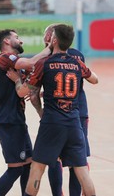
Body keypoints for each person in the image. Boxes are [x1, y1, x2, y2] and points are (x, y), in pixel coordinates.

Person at [6, 24, 98, 196]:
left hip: (52, 123)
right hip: (74, 122)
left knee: (37, 168)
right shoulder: (77, 62)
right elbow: (95, 80)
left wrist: (18, 80)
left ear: (53, 40)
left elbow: (24, 92)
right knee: (82, 171)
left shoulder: (44, 63)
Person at [0, 29, 52, 196]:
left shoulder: (15, 66)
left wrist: (35, 91)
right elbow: (32, 63)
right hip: (8, 122)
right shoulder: (3, 58)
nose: (21, 41)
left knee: (28, 165)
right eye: (17, 38)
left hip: (17, 121)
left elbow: (24, 89)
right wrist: (49, 48)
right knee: (15, 169)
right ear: (6, 42)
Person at [40, 24, 92, 196]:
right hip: (78, 112)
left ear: (51, 39)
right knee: (78, 161)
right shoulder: (77, 56)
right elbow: (85, 80)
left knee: (53, 158)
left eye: (46, 36)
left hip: (59, 115)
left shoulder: (46, 60)